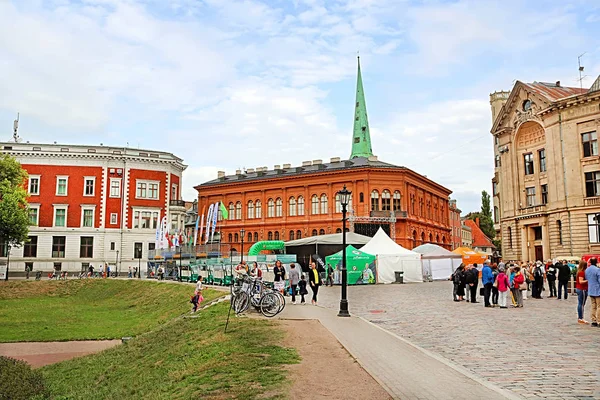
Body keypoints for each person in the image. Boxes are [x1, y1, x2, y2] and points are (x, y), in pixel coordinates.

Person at [585, 258, 600, 327]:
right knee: (599, 306)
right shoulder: (597, 270)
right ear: (596, 262)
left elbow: (587, 278)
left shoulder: (587, 270)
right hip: (597, 290)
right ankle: (599, 321)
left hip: (590, 289)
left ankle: (593, 320)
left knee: (593, 306)